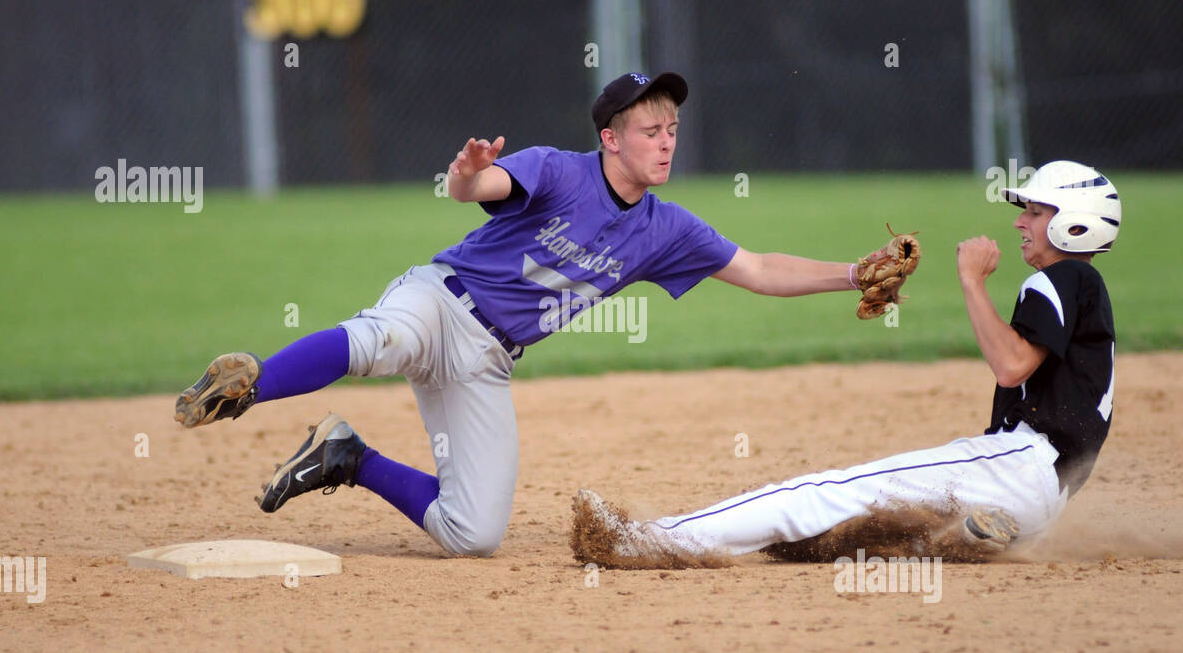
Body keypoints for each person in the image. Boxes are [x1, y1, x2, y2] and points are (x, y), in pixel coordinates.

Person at [175, 72, 901, 557]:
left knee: (474, 533)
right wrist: (465, 175)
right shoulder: (559, 169)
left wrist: (850, 274)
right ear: (611, 137)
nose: (666, 140)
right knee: (381, 338)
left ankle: (347, 456)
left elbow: (759, 268)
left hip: (486, 360)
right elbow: (481, 184)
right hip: (441, 300)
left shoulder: (667, 229)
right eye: (650, 128)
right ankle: (251, 382)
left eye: (672, 127)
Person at [572, 160, 1120, 565]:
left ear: (1074, 225)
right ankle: (964, 539)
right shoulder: (1084, 288)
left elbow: (1012, 365)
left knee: (822, 492)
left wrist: (972, 281)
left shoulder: (1062, 276)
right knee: (872, 522)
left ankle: (649, 540)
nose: (1021, 221)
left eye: (1035, 210)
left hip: (1016, 465)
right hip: (1039, 499)